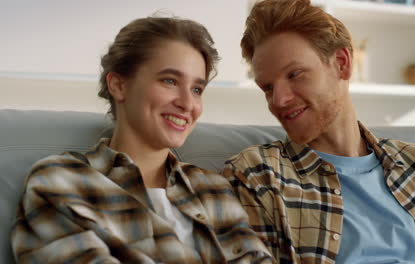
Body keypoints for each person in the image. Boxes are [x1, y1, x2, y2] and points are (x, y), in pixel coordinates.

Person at [11, 15, 273, 263]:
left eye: (196, 89)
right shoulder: (61, 181)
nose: (187, 103)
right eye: (169, 80)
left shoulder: (214, 190)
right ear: (118, 85)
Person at [222, 0, 415, 263]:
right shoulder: (258, 176)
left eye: (294, 74)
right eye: (268, 88)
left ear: (341, 63)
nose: (278, 100)